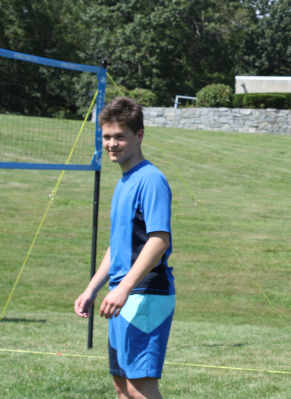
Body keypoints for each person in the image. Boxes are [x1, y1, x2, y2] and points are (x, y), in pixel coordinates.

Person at [74, 97, 175, 399]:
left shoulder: (151, 179)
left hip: (144, 294)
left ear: (139, 135)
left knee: (140, 387)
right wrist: (92, 289)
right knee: (121, 385)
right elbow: (117, 246)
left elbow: (159, 240)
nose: (112, 143)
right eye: (106, 136)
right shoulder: (123, 182)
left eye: (120, 136)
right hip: (123, 295)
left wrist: (124, 288)